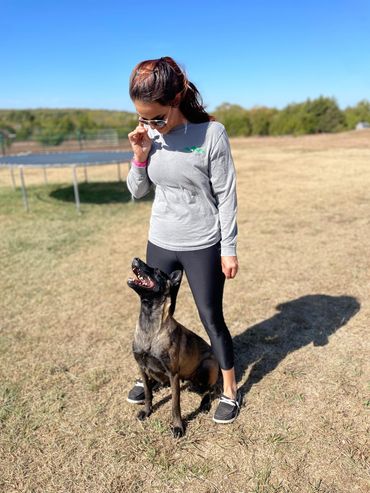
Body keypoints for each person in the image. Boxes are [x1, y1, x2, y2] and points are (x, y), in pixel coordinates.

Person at [126, 56, 241, 424]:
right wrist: (140, 156)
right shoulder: (150, 136)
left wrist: (229, 247)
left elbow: (226, 194)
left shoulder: (211, 134)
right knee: (153, 314)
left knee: (211, 317)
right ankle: (151, 373)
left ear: (176, 98)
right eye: (143, 117)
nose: (150, 125)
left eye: (157, 117)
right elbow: (137, 191)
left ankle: (230, 390)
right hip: (161, 237)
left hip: (202, 241)